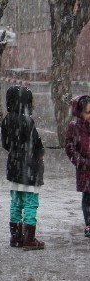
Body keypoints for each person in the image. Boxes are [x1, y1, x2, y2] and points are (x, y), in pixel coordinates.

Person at [1, 86, 45, 250]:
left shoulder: (6, 120)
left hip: (14, 169)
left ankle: (16, 237)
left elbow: (5, 144)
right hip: (29, 169)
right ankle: (29, 238)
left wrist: (16, 154)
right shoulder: (28, 121)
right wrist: (39, 154)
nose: (33, 105)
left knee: (16, 203)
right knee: (31, 203)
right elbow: (36, 145)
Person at [65, 95, 90, 239]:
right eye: (87, 112)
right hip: (85, 169)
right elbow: (69, 147)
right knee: (87, 197)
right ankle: (88, 223)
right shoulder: (74, 127)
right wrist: (81, 162)